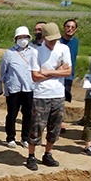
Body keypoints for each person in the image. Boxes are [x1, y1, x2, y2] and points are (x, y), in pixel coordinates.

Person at [26, 22, 72, 170]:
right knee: (37, 126)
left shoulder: (64, 49)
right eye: (50, 39)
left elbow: (67, 72)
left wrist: (47, 72)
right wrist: (56, 71)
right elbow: (35, 76)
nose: (53, 42)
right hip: (41, 95)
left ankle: (48, 153)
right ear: (44, 37)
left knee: (55, 126)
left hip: (58, 94)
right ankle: (31, 155)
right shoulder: (36, 52)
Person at [0, 26, 37, 149]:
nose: (22, 40)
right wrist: (7, 85)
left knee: (28, 115)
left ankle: (25, 138)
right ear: (15, 39)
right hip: (13, 88)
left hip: (29, 88)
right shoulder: (9, 53)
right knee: (12, 114)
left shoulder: (34, 52)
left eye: (25, 37)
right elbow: (3, 72)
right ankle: (10, 137)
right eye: (20, 37)